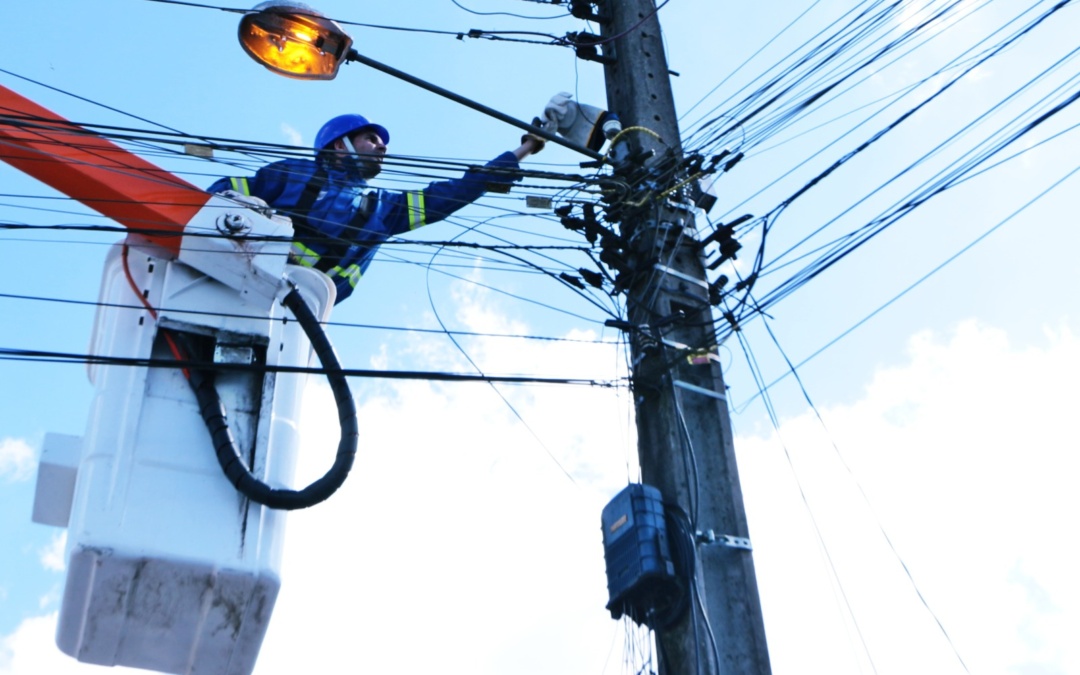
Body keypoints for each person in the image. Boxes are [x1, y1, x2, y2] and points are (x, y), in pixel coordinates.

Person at [208, 114, 543, 304]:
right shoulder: (292, 173)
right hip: (228, 278)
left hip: (294, 311)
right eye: (371, 138)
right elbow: (220, 197)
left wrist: (525, 148)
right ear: (341, 144)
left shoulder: (383, 209)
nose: (383, 147)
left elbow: (456, 192)